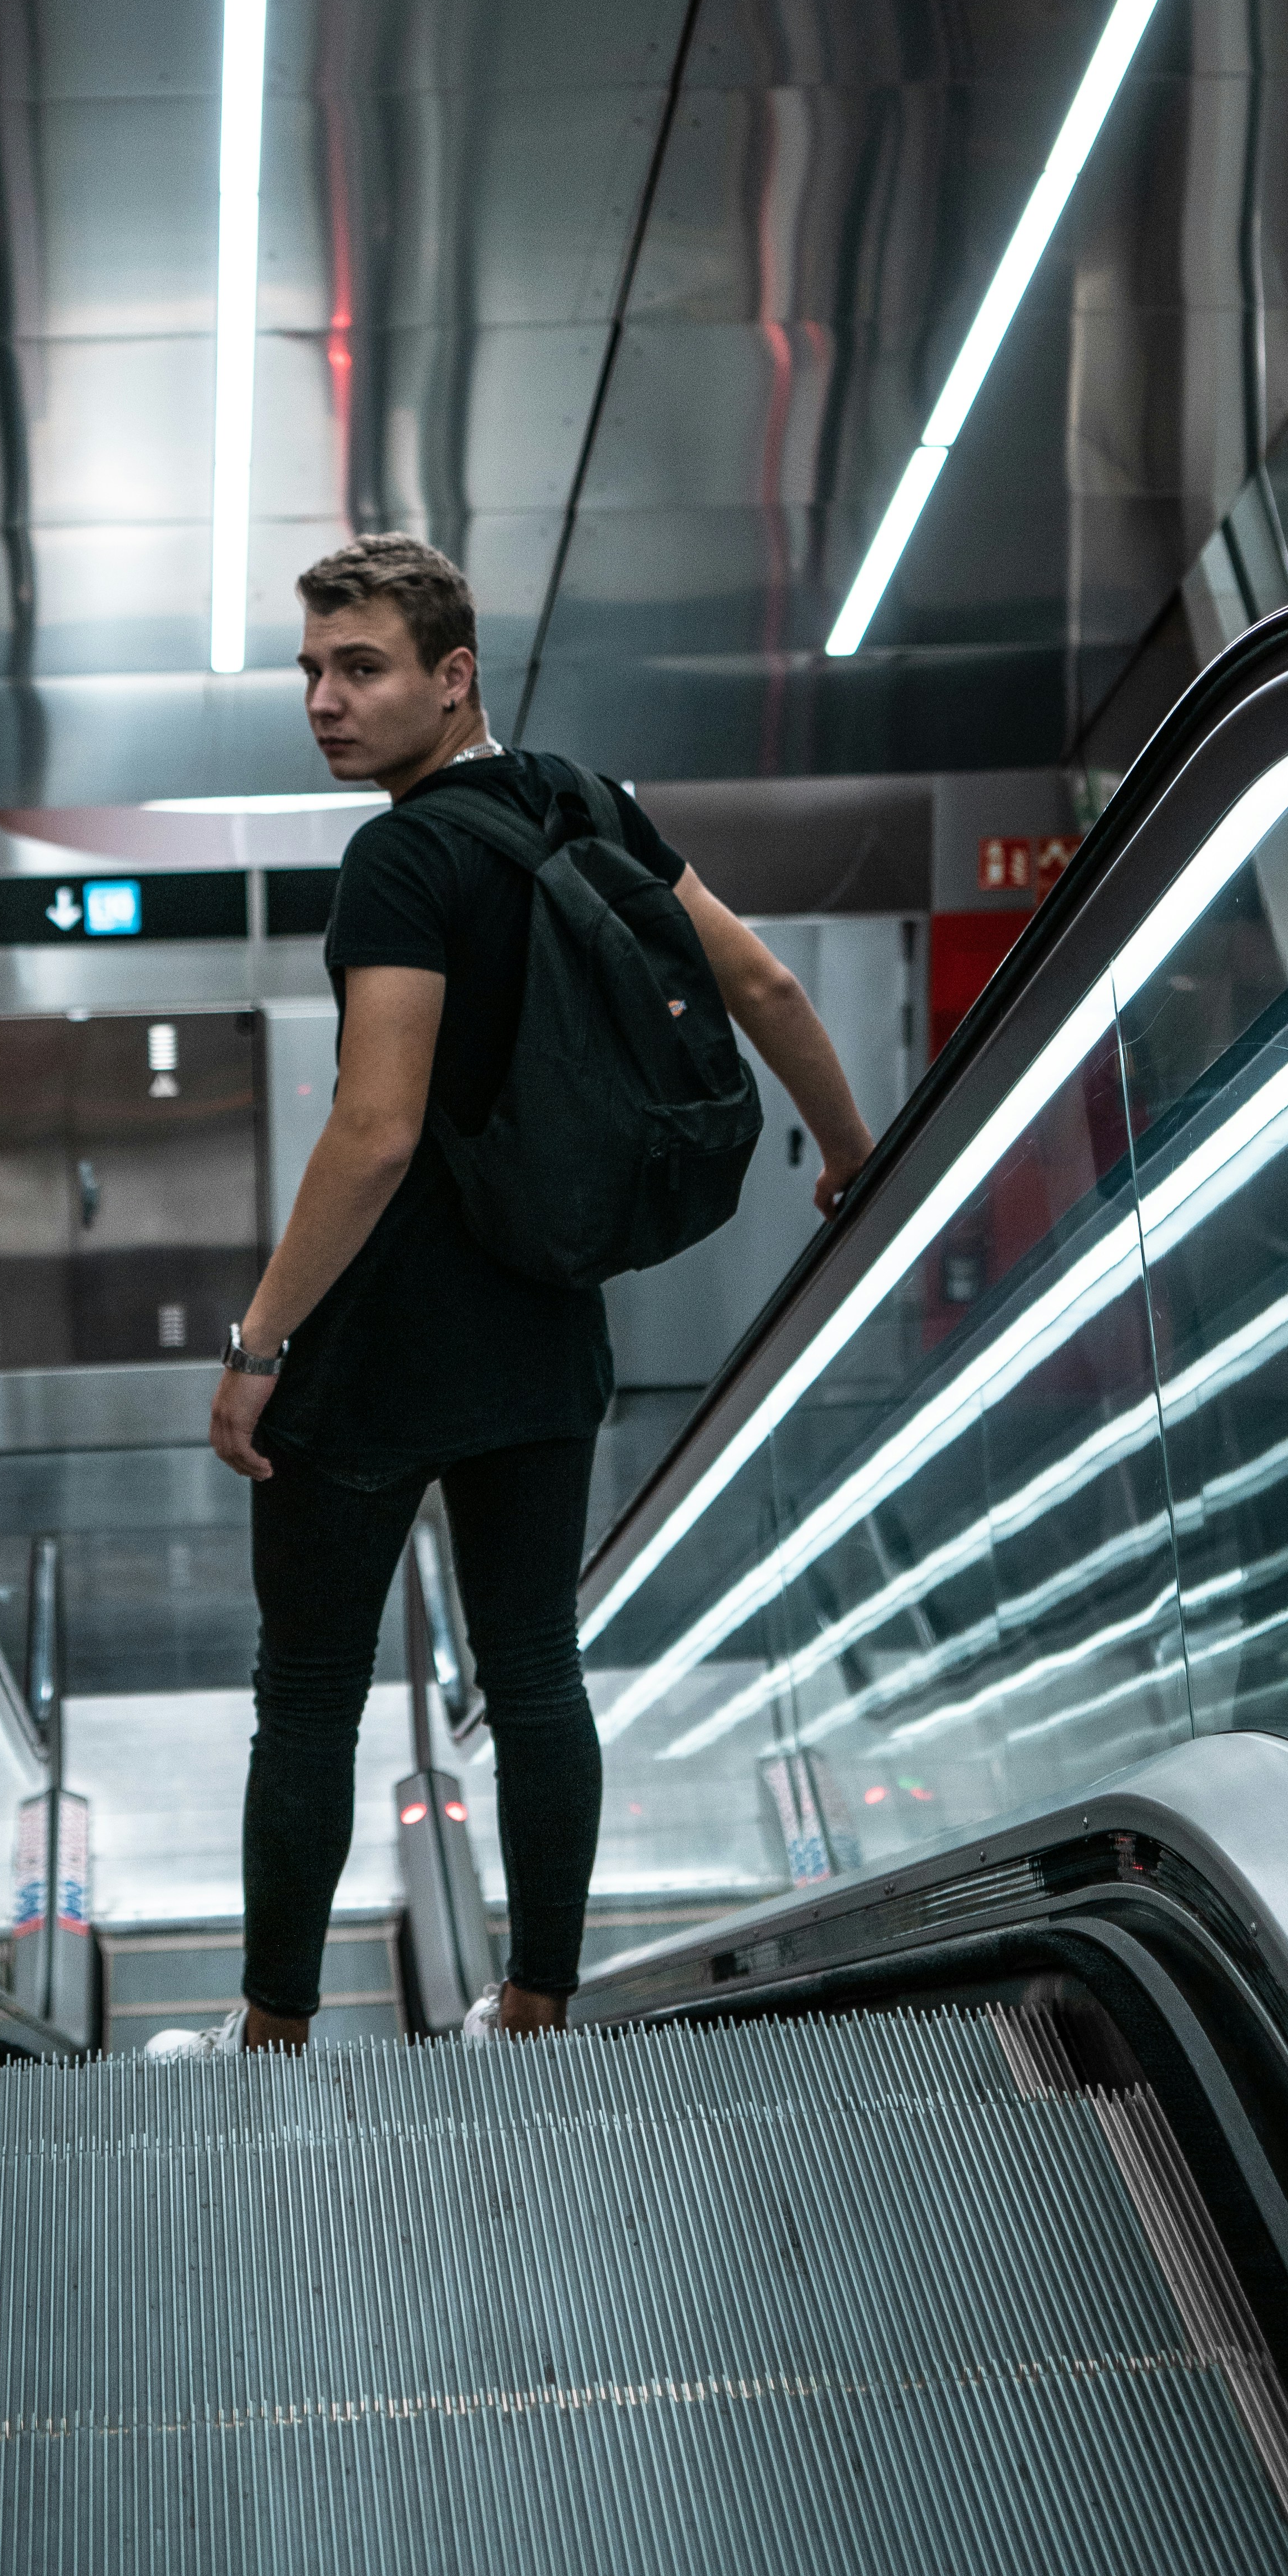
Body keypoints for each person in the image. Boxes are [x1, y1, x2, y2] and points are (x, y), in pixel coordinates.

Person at [174, 534, 873, 2055]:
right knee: (537, 1670)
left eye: (360, 669)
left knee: (306, 1699)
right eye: (311, 670)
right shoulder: (584, 800)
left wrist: (259, 1343)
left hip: (373, 1352)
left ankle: (274, 2037)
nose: (325, 702)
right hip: (545, 1323)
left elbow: (376, 1129)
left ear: (452, 675)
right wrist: (850, 1156)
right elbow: (768, 987)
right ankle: (536, 2011)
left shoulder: (399, 863)